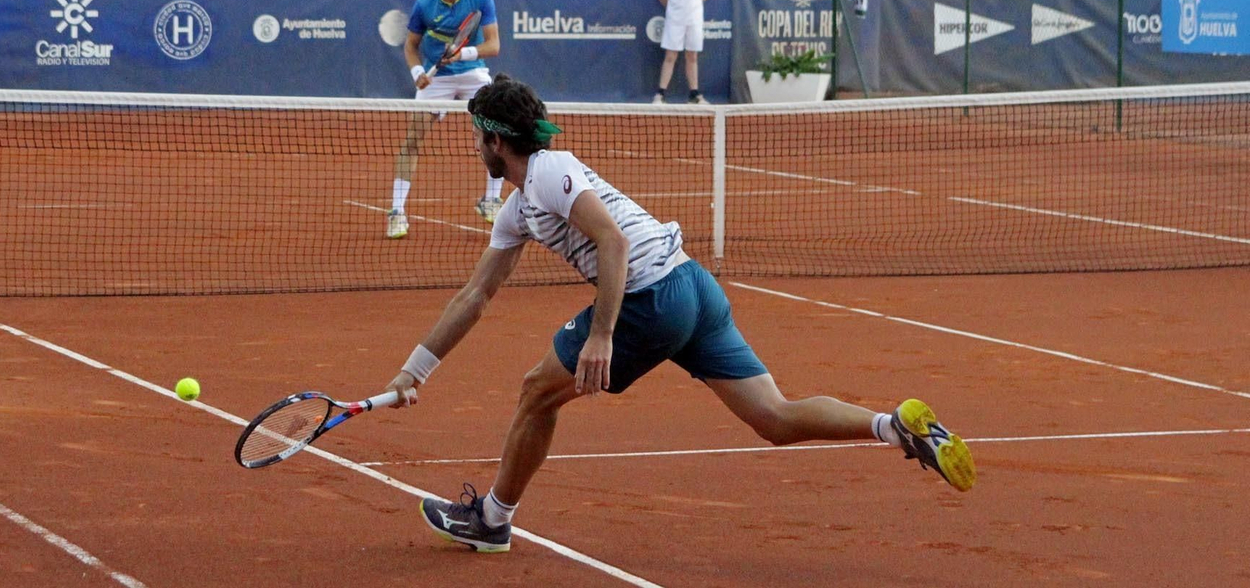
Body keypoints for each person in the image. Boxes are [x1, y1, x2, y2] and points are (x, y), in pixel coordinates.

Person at [389, 74, 974, 553]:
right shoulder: (517, 208)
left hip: (651, 297)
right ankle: (892, 426)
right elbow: (475, 296)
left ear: (495, 141)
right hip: (695, 289)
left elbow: (613, 244)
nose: (472, 148)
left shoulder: (549, 170)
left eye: (475, 137)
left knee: (537, 390)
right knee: (774, 417)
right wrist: (414, 372)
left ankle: (492, 519)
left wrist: (602, 335)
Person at [387, 0, 504, 239]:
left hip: (473, 74)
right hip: (436, 81)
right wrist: (417, 74)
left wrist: (462, 53)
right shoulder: (424, 5)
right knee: (412, 140)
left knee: (498, 134)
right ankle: (397, 212)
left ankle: (490, 199)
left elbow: (494, 45)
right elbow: (410, 46)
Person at [653, 0, 712, 103]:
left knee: (692, 56)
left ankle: (694, 94)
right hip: (675, 20)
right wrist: (676, 10)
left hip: (694, 21)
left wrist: (691, 10)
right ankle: (660, 94)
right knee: (670, 55)